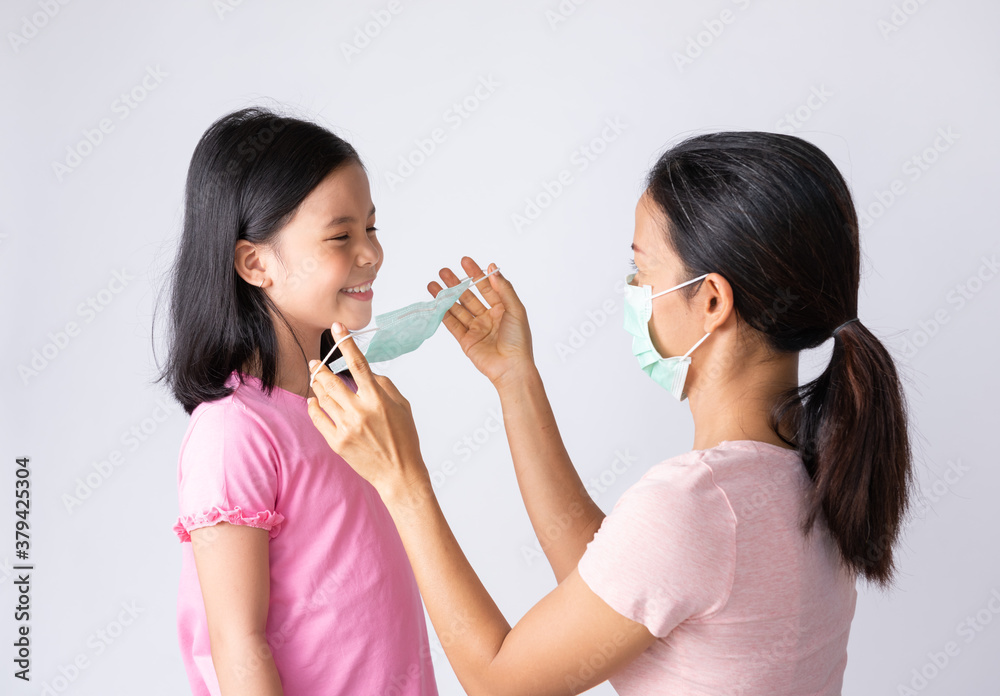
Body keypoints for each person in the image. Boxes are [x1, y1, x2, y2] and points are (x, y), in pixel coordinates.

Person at [307, 131, 913, 695]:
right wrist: (516, 380)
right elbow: (614, 572)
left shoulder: (699, 502)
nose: (632, 291)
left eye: (641, 270)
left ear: (710, 300)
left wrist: (402, 479)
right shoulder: (805, 472)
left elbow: (498, 680)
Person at [159, 107, 438, 695]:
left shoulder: (350, 407)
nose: (371, 253)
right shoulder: (234, 432)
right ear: (255, 263)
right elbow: (238, 646)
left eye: (372, 227)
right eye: (341, 235)